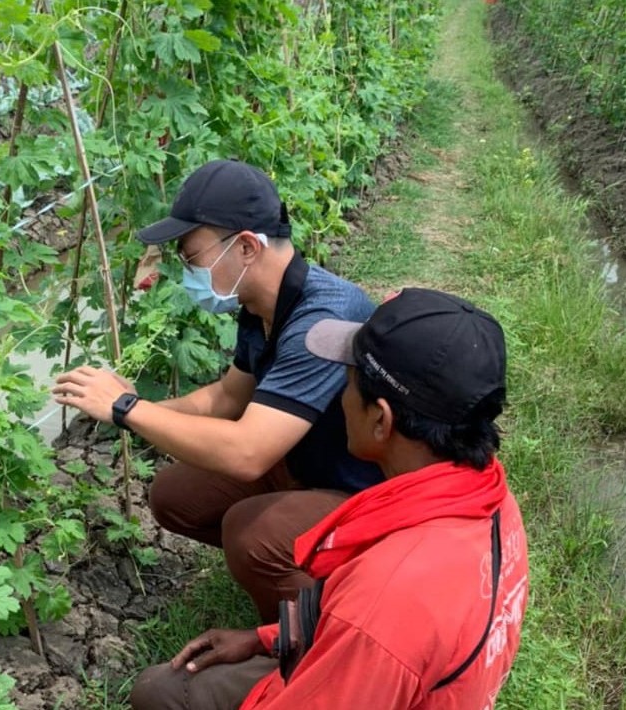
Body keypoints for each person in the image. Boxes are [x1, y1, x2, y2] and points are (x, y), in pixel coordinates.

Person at [128, 287, 530, 710]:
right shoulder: (491, 500)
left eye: (348, 382)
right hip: (397, 677)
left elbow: (374, 633)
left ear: (380, 419)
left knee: (160, 693)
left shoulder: (384, 601)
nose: (340, 397)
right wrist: (272, 638)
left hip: (373, 671)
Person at [52, 159, 384, 622]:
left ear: (246, 246)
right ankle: (301, 566)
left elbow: (246, 453)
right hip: (304, 462)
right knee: (175, 495)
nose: (187, 271)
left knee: (252, 533)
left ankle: (323, 627)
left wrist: (128, 408)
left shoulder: (323, 320)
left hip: (368, 494)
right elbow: (229, 397)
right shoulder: (259, 304)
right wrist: (136, 407)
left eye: (192, 258)